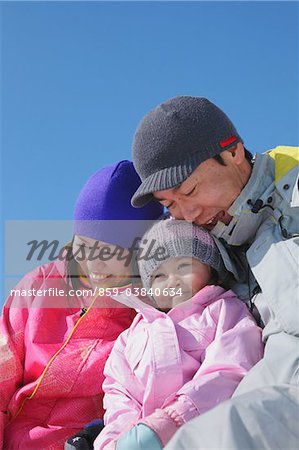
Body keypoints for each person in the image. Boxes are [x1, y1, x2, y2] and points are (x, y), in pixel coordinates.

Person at [131, 96, 299, 449]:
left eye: (189, 190)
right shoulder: (203, 257)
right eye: (170, 205)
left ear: (234, 152)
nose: (187, 211)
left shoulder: (293, 198)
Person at [0, 160, 163, 450]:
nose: (95, 263)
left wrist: (105, 432)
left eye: (112, 251)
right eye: (86, 247)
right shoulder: (40, 285)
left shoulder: (147, 312)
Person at [91, 219, 263, 450]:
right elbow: (119, 392)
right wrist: (116, 440)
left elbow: (229, 369)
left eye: (183, 266)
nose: (172, 280)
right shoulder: (132, 336)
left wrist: (173, 419)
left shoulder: (223, 311)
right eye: (159, 276)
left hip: (206, 435)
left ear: (210, 268)